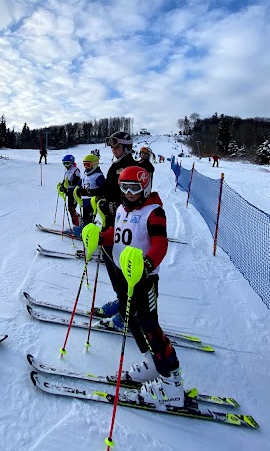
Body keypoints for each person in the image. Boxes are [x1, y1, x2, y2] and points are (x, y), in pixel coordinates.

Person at [83, 165, 184, 407]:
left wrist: (148, 263)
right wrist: (99, 236)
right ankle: (152, 363)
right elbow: (116, 236)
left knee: (150, 325)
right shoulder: (121, 208)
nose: (129, 193)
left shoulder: (154, 212)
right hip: (126, 276)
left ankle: (173, 385)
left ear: (145, 187)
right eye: (124, 188)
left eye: (134, 188)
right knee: (133, 321)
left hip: (144, 278)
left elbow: (160, 244)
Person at [94, 132, 137, 307]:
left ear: (126, 147)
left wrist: (114, 205)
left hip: (124, 223)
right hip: (111, 219)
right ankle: (123, 301)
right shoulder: (116, 166)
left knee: (118, 264)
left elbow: (133, 196)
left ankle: (128, 307)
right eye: (112, 147)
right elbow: (106, 187)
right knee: (110, 262)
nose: (113, 150)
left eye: (117, 146)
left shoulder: (130, 167)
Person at [73, 153, 105, 227]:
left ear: (94, 164)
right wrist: (78, 189)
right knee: (85, 216)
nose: (86, 167)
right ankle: (85, 228)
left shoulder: (98, 176)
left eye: (88, 165)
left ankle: (90, 230)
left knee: (90, 217)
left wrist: (93, 192)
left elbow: (103, 189)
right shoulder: (85, 175)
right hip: (84, 200)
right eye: (84, 165)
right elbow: (80, 184)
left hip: (93, 201)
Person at [57, 154, 82, 228]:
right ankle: (76, 224)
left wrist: (70, 183)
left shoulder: (75, 170)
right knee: (70, 208)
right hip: (69, 192)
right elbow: (65, 181)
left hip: (74, 192)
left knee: (72, 208)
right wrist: (62, 186)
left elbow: (78, 181)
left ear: (71, 162)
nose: (65, 165)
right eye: (64, 163)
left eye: (67, 163)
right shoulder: (67, 171)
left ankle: (78, 225)